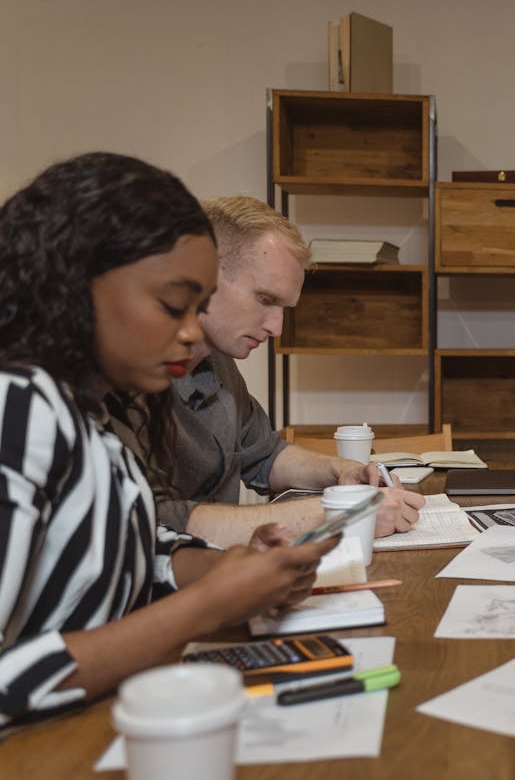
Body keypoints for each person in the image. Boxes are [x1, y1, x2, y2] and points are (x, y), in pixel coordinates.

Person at [0, 153, 338, 729]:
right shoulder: (19, 408)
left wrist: (228, 571)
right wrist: (206, 606)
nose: (189, 332)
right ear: (76, 285)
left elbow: (123, 553)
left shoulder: (89, 410)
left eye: (197, 308)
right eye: (171, 306)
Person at [111, 195, 423, 547]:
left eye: (284, 307)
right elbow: (152, 522)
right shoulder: (124, 376)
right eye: (265, 300)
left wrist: (341, 471)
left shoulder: (219, 361)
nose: (276, 327)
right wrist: (339, 514)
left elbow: (265, 454)